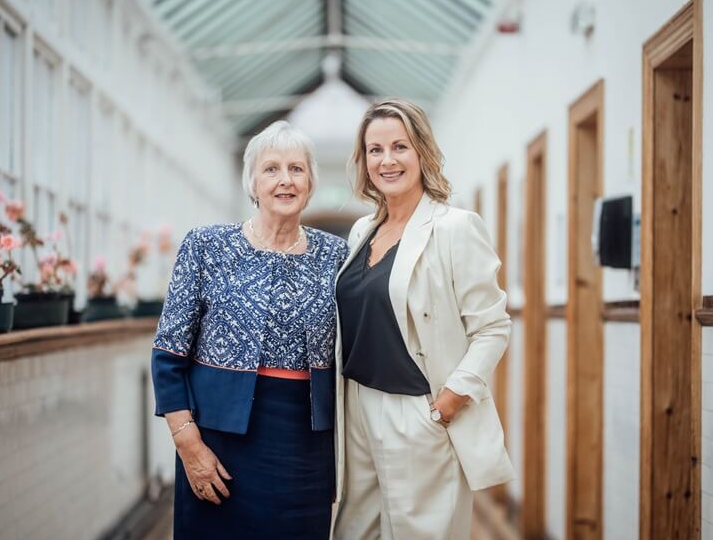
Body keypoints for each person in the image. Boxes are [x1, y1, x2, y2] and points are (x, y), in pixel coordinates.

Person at [151, 120, 348, 539]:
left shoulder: (336, 255)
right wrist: (188, 445)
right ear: (252, 183)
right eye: (271, 169)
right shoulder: (207, 246)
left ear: (311, 182)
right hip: (218, 440)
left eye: (297, 169)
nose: (285, 180)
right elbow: (168, 355)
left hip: (304, 446)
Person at [333, 99, 514, 539]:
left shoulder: (455, 227)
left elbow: (492, 327)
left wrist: (451, 398)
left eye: (400, 146)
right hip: (357, 405)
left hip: (417, 409)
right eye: (375, 150)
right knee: (356, 531)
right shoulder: (361, 231)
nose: (387, 160)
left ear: (422, 152)